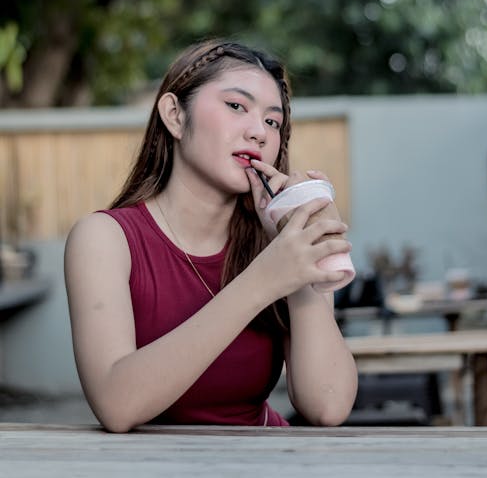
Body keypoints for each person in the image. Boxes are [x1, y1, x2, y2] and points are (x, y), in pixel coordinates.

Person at [64, 39, 357, 432]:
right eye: (236, 106)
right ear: (174, 115)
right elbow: (117, 404)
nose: (259, 133)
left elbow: (328, 405)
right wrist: (264, 281)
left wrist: (305, 267)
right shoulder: (103, 239)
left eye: (273, 121)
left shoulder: (274, 245)